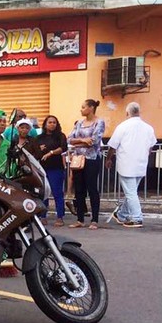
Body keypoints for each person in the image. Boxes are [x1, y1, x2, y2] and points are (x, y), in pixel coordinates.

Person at [107, 102, 157, 228]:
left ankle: (136, 218)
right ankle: (122, 214)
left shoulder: (122, 126)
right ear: (139, 112)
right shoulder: (148, 128)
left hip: (126, 164)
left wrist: (109, 158)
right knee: (132, 192)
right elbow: (151, 146)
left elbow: (113, 146)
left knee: (130, 193)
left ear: (127, 113)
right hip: (141, 164)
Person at [67, 98, 106, 230]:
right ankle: (80, 219)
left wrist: (79, 142)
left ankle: (94, 219)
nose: (81, 109)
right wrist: (83, 140)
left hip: (92, 159)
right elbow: (69, 139)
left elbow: (95, 141)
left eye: (83, 107)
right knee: (79, 189)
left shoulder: (99, 122)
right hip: (79, 159)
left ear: (91, 108)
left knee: (92, 188)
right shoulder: (79, 123)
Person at [33, 115, 68, 226]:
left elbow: (63, 148)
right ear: (45, 124)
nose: (52, 124)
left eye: (54, 122)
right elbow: (35, 151)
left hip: (56, 168)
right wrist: (40, 149)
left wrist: (51, 153)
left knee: (57, 193)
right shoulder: (39, 138)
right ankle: (43, 216)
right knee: (44, 193)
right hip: (43, 169)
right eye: (50, 122)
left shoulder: (60, 136)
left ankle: (60, 217)